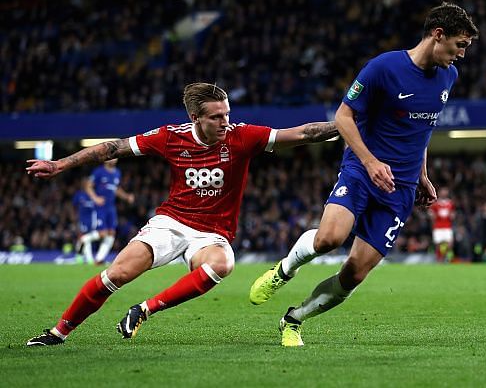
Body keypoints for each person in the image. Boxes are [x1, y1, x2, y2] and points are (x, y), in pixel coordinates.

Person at [25, 82, 338, 346]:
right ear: (195, 118)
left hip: (213, 234)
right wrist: (61, 164)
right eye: (216, 117)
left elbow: (304, 134)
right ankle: (57, 333)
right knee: (117, 274)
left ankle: (144, 310)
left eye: (227, 114)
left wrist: (346, 124)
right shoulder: (171, 137)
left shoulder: (242, 136)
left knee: (222, 264)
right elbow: (114, 148)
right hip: (171, 223)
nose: (225, 122)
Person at [249, 2, 479, 346]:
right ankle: (285, 270)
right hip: (361, 170)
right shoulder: (383, 68)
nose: (461, 54)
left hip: (400, 188)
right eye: (460, 45)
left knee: (355, 273)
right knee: (329, 238)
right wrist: (371, 162)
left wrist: (423, 175)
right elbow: (343, 118)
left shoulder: (449, 76)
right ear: (438, 35)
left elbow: (423, 129)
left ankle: (294, 320)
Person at [86, 159, 134, 264]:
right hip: (100, 207)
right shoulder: (98, 171)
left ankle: (99, 259)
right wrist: (95, 198)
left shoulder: (117, 172)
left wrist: (126, 197)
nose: (114, 159)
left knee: (111, 233)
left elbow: (115, 189)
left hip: (111, 207)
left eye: (116, 157)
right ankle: (83, 239)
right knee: (102, 233)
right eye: (111, 157)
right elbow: (88, 186)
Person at [72, 186, 98, 264]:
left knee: (86, 238)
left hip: (93, 220)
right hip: (83, 220)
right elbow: (73, 206)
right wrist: (74, 217)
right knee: (83, 236)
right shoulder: (79, 194)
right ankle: (86, 258)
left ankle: (80, 256)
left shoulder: (94, 194)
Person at [429, 186, 455, 262]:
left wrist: (452, 216)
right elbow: (431, 214)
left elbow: (453, 214)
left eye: (445, 191)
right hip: (438, 227)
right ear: (440, 193)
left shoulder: (450, 203)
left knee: (450, 244)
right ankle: (439, 260)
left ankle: (447, 258)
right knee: (438, 245)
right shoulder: (435, 204)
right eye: (442, 191)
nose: (444, 193)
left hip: (447, 226)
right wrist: (433, 217)